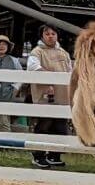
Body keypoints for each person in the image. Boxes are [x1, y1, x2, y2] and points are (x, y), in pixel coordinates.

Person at [27, 24, 72, 168]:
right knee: (44, 125)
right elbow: (34, 68)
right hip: (45, 95)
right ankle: (38, 155)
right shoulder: (37, 52)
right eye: (47, 34)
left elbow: (70, 71)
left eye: (53, 33)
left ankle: (54, 155)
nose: (51, 36)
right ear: (42, 36)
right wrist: (48, 83)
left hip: (63, 95)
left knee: (60, 127)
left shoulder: (63, 53)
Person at [0, 34, 22, 131]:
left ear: (8, 47)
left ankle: (3, 146)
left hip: (7, 96)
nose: (1, 46)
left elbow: (21, 77)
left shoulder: (14, 61)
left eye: (4, 44)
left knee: (4, 123)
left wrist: (15, 89)